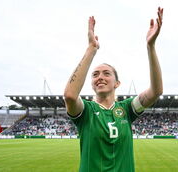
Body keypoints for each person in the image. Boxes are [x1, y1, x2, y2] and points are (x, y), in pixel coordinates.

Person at [64, 7, 164, 172]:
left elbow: (156, 91)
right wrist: (91, 49)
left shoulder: (127, 109)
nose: (100, 77)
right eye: (95, 75)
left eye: (106, 73)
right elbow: (69, 96)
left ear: (117, 83)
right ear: (92, 83)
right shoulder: (86, 111)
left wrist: (150, 47)